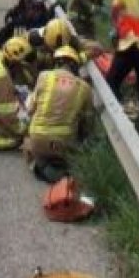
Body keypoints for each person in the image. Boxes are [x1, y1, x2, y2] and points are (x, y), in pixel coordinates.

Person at [23, 46, 94, 183]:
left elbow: (31, 109)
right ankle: (64, 170)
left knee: (29, 144)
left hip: (38, 139)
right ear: (75, 66)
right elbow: (88, 124)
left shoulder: (44, 76)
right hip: (65, 143)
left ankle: (38, 164)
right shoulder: (85, 88)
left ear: (55, 63)